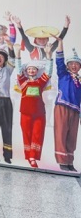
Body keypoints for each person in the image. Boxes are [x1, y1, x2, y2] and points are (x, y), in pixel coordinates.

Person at [15, 53, 53, 168]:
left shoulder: (41, 81)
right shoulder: (22, 81)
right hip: (25, 113)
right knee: (26, 134)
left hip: (39, 113)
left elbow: (48, 72)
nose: (31, 71)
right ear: (26, 71)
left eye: (33, 69)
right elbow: (18, 70)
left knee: (38, 134)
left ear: (37, 71)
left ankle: (33, 157)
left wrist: (49, 56)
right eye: (29, 69)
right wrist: (18, 55)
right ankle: (28, 156)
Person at [53, 33, 80, 171]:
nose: (74, 65)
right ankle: (62, 162)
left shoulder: (80, 81)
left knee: (72, 137)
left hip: (75, 111)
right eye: (71, 63)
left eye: (77, 64)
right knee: (61, 133)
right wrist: (60, 43)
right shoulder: (63, 74)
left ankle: (69, 162)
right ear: (67, 66)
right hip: (62, 106)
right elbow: (59, 60)